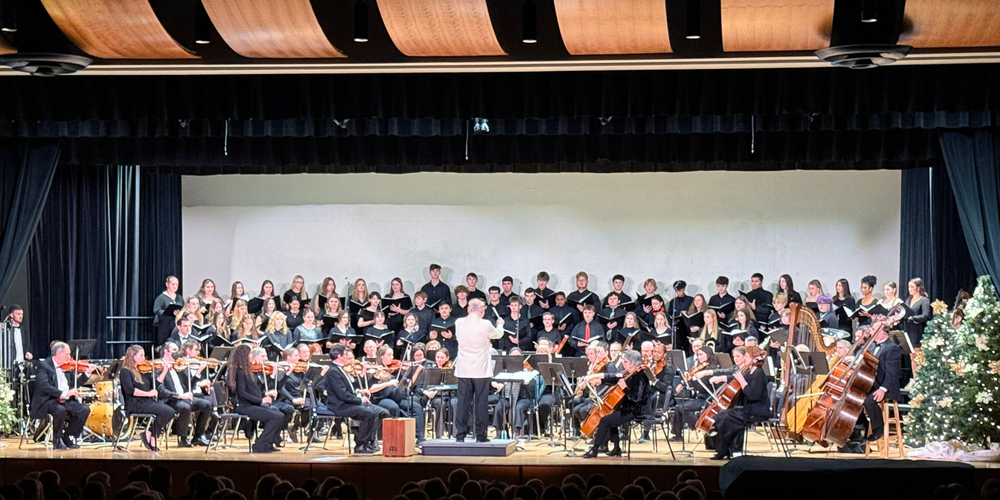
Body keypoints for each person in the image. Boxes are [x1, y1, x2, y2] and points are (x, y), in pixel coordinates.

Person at [453, 299, 504, 443]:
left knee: (463, 403)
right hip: (481, 370)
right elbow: (498, 335)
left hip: (464, 369)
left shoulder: (459, 323)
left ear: (469, 309)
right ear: (481, 310)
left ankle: (460, 435)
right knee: (481, 403)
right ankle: (481, 435)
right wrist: (500, 325)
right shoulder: (486, 324)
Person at [582, 350, 649, 458]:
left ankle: (595, 449)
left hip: (637, 410)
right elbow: (615, 378)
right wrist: (600, 381)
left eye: (626, 361)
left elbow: (636, 398)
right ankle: (616, 448)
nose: (623, 363)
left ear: (633, 363)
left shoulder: (640, 377)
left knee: (604, 420)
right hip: (628, 407)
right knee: (610, 418)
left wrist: (625, 388)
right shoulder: (629, 373)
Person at [706, 345, 768, 460]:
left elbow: (753, 395)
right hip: (748, 408)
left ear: (754, 358)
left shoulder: (758, 373)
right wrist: (721, 378)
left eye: (747, 357)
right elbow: (734, 380)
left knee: (725, 418)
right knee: (721, 416)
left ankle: (726, 449)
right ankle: (727, 449)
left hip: (757, 410)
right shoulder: (749, 371)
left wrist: (742, 381)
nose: (744, 359)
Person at [28, 341, 94, 449]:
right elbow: (43, 386)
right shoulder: (44, 366)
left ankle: (67, 436)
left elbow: (73, 384)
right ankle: (57, 438)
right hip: (48, 400)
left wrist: (86, 374)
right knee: (60, 410)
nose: (69, 357)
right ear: (58, 353)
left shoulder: (66, 368)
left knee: (84, 409)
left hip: (64, 400)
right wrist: (63, 393)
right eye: (67, 354)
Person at [323, 344, 387, 453]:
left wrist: (358, 392)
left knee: (380, 411)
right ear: (339, 356)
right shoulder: (333, 371)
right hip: (340, 405)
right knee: (368, 413)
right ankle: (360, 445)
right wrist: (360, 400)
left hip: (347, 402)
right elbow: (342, 394)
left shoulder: (340, 369)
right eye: (345, 355)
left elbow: (348, 389)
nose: (347, 357)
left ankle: (370, 442)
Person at [226, 344, 284, 453]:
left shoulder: (248, 371)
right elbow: (242, 393)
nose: (252, 356)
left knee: (279, 415)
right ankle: (260, 444)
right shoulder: (240, 372)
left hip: (252, 404)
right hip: (244, 406)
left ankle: (268, 443)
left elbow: (254, 390)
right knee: (275, 417)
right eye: (250, 353)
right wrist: (260, 401)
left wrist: (264, 395)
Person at [119, 344, 175, 452]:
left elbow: (157, 384)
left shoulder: (143, 370)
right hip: (135, 403)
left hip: (147, 402)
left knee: (170, 411)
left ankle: (150, 434)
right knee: (166, 411)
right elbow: (130, 390)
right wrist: (148, 393)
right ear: (133, 356)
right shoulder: (125, 371)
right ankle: (152, 436)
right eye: (141, 355)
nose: (144, 358)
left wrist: (164, 371)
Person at [156, 342, 212, 447]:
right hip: (170, 400)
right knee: (185, 407)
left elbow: (188, 385)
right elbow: (161, 390)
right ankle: (183, 438)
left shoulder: (178, 366)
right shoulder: (158, 367)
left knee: (207, 404)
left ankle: (199, 435)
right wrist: (179, 396)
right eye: (174, 350)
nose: (177, 353)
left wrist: (198, 372)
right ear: (166, 351)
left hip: (183, 397)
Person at [863, 324, 901, 443]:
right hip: (873, 384)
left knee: (869, 400)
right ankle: (858, 432)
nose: (870, 331)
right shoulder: (872, 346)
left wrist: (883, 389)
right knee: (855, 399)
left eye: (873, 329)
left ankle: (878, 430)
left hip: (887, 386)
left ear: (881, 332)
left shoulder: (892, 348)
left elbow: (892, 373)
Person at [153, 276, 184, 344]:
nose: (175, 286)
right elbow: (157, 310)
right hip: (165, 325)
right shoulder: (161, 297)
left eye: (176, 284)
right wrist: (169, 311)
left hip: (176, 323)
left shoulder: (179, 298)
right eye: (173, 284)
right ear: (167, 284)